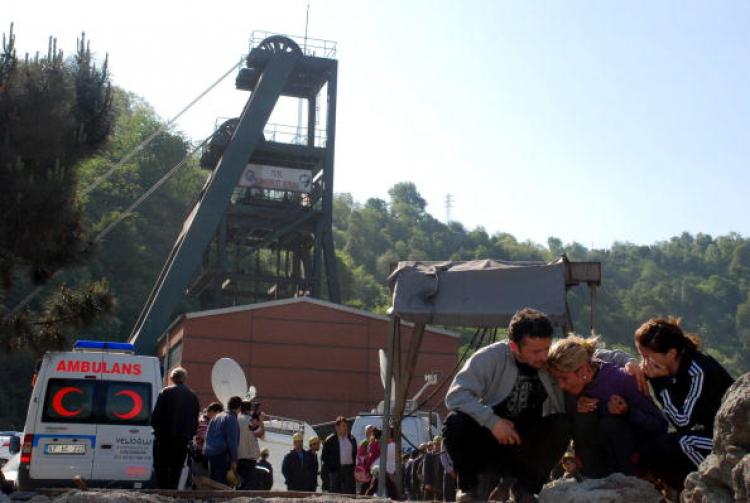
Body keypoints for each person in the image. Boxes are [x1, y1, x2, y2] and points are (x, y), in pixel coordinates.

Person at [443, 307, 635, 502]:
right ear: (514, 347)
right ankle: (468, 488)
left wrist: (628, 361)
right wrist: (492, 422)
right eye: (535, 351)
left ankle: (525, 489)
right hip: (490, 440)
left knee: (561, 424)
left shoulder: (548, 356)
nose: (543, 357)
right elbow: (456, 395)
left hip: (526, 445)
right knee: (456, 421)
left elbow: (588, 352)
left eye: (546, 348)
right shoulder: (490, 358)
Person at [634, 317, 735, 491]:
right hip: (706, 431)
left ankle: (708, 488)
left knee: (683, 443)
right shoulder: (671, 367)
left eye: (647, 357)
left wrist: (660, 384)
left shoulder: (698, 372)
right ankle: (679, 491)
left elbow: (682, 421)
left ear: (671, 354)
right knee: (651, 449)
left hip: (728, 439)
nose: (645, 363)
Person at [546, 335, 668, 478]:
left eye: (564, 378)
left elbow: (660, 426)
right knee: (582, 418)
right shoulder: (567, 390)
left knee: (610, 424)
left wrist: (627, 412)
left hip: (631, 457)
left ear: (583, 370)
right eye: (556, 379)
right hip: (593, 464)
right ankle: (589, 477)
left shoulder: (621, 380)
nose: (560, 385)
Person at [150, 366, 200, 489]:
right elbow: (195, 420)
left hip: (164, 439)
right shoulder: (193, 396)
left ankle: (163, 493)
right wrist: (189, 435)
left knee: (161, 468)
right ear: (185, 378)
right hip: (182, 440)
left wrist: (156, 430)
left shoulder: (165, 392)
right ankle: (172, 494)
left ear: (172, 378)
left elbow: (155, 416)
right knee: (176, 470)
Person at [203, 395, 242, 486]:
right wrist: (234, 460)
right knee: (221, 484)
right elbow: (232, 441)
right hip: (222, 455)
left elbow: (207, 435)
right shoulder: (231, 418)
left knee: (213, 482)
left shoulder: (216, 417)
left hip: (210, 454)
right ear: (239, 407)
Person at [321, 416, 357, 493]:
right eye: (343, 426)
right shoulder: (330, 440)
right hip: (335, 472)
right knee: (335, 494)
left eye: (346, 426)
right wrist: (332, 468)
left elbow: (355, 454)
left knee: (349, 494)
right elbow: (324, 457)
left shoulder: (352, 439)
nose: (345, 428)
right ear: (337, 427)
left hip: (348, 472)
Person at [236, 401, 265, 490]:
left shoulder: (236, 418)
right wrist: (261, 421)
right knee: (247, 484)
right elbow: (261, 434)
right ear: (249, 409)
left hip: (238, 455)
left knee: (239, 482)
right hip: (249, 456)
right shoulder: (250, 420)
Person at [422, 436, 445, 501]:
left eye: (439, 444)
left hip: (441, 484)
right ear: (433, 445)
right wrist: (427, 483)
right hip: (431, 485)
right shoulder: (429, 455)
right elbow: (426, 470)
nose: (437, 446)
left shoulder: (443, 454)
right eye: (435, 444)